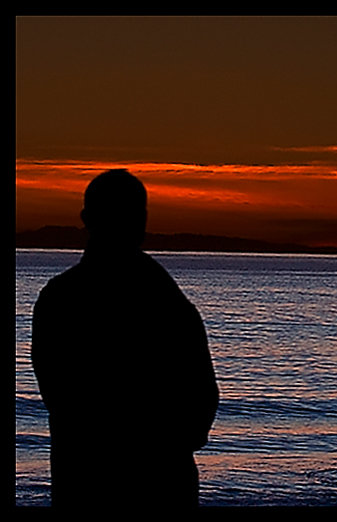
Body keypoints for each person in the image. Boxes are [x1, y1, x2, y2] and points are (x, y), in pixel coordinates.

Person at [32, 169, 219, 510]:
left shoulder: (59, 299)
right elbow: (202, 403)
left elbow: (58, 394)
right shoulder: (169, 302)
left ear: (87, 219)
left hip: (88, 482)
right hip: (155, 483)